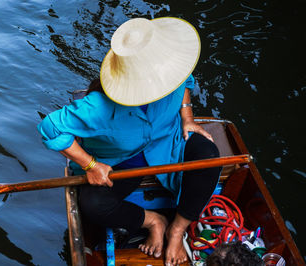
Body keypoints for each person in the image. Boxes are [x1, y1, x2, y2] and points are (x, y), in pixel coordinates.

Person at [39, 17, 221, 266]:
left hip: (167, 146)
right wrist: (90, 164)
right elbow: (50, 128)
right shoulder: (99, 107)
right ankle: (154, 220)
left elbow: (185, 81)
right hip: (121, 162)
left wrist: (187, 117)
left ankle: (177, 230)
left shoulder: (172, 70)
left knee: (209, 156)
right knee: (93, 205)